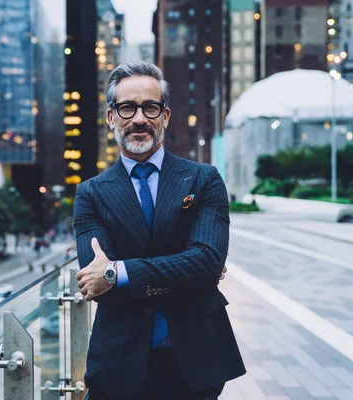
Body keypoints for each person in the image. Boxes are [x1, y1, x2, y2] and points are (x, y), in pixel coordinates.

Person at [74, 60, 245, 400]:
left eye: (150, 107)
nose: (139, 118)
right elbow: (100, 286)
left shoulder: (204, 179)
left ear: (165, 116)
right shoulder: (90, 193)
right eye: (127, 108)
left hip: (197, 363)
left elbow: (207, 262)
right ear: (112, 118)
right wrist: (186, 270)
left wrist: (117, 270)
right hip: (118, 363)